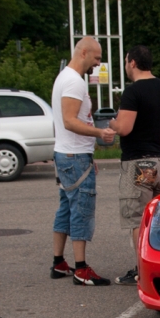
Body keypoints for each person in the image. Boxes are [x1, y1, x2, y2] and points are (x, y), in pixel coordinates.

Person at [107, 45, 160, 286]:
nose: (126, 65)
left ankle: (141, 270)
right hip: (157, 163)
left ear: (132, 63)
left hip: (136, 165)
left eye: (126, 61)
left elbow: (125, 128)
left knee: (137, 219)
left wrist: (111, 123)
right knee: (157, 218)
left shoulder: (133, 92)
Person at [50, 36, 116, 286]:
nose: (98, 64)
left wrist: (88, 154)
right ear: (84, 52)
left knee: (66, 208)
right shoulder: (74, 81)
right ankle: (81, 268)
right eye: (97, 58)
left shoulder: (64, 77)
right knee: (81, 209)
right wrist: (99, 133)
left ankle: (58, 262)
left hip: (68, 153)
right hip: (74, 155)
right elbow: (69, 121)